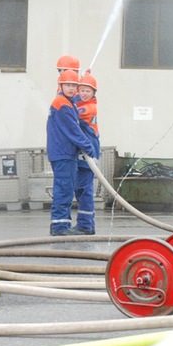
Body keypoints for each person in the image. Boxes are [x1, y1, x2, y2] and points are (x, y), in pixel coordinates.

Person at [46, 69, 95, 236]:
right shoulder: (62, 104)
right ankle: (60, 227)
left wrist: (86, 78)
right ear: (61, 85)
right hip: (63, 153)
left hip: (65, 153)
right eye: (68, 85)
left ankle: (61, 225)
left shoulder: (69, 102)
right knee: (64, 190)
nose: (72, 88)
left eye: (75, 85)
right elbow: (73, 130)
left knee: (67, 189)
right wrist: (88, 146)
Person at [73, 72, 100, 235]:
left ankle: (85, 225)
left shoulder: (88, 107)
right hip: (84, 148)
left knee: (84, 188)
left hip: (89, 148)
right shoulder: (83, 103)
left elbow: (73, 111)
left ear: (93, 93)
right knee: (80, 187)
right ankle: (88, 223)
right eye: (81, 90)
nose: (84, 93)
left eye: (87, 91)